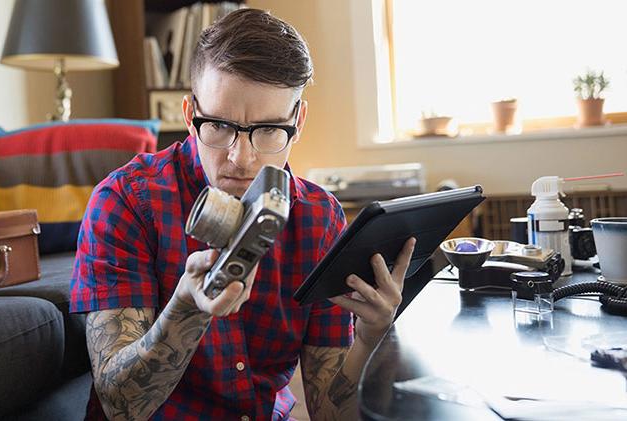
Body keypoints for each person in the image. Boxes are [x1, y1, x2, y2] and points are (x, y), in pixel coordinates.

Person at [70, 8, 415, 421]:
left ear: (298, 121)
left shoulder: (319, 218)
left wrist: (370, 337)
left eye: (269, 130)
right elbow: (120, 407)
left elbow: (328, 411)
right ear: (189, 114)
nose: (241, 158)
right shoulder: (125, 201)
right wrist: (187, 308)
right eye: (218, 125)